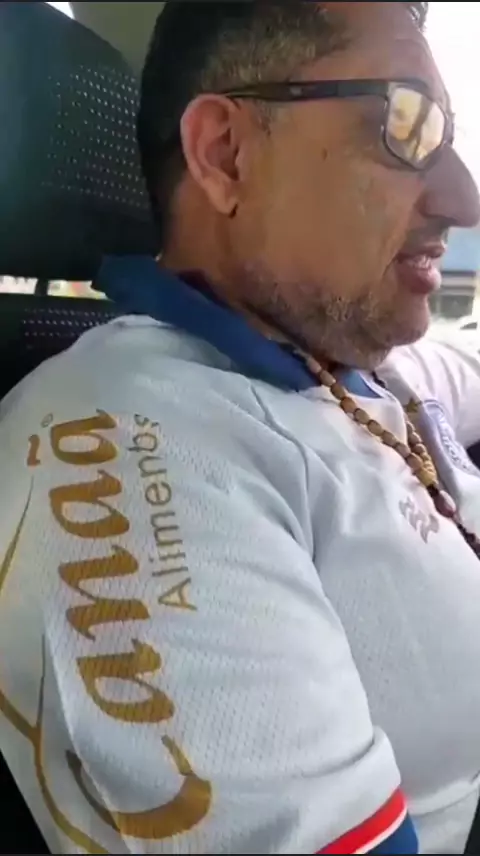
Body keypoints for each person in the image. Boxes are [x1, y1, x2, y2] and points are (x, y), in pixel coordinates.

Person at [0, 2, 480, 853]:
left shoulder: (352, 359)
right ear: (226, 154)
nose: (462, 200)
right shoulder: (137, 443)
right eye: (407, 127)